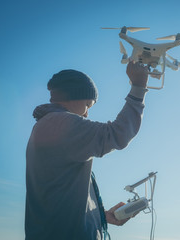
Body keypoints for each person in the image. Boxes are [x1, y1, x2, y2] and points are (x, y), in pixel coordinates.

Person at [25, 61, 149, 240]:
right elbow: (118, 134)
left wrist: (100, 217)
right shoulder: (60, 123)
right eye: (88, 105)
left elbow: (61, 200)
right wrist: (138, 86)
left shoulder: (49, 125)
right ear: (76, 96)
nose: (86, 114)